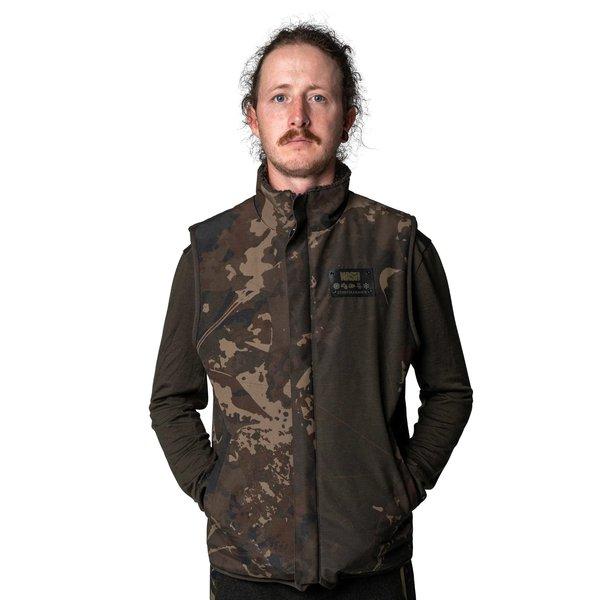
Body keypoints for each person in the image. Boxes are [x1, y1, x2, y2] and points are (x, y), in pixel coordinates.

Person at [149, 22, 473, 600]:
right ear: (253, 116)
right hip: (247, 571)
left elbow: (449, 391)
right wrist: (215, 493)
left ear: (348, 117)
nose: (297, 116)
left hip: (372, 569)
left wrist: (402, 488)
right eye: (280, 98)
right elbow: (171, 400)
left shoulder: (397, 246)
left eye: (318, 97)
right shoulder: (209, 255)